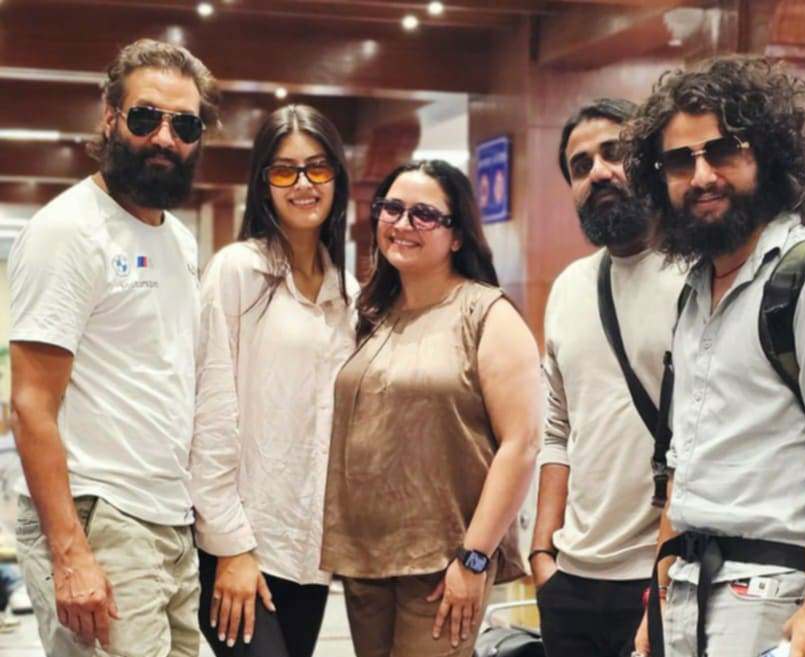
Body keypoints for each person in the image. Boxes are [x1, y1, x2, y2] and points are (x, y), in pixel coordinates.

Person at [624, 56, 805, 657]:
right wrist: (657, 602)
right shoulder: (696, 290)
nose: (702, 175)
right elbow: (683, 463)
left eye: (723, 152)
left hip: (776, 599)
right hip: (686, 590)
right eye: (679, 161)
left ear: (765, 155)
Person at [9, 38, 218, 656]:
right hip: (97, 515)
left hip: (168, 521)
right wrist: (71, 553)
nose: (164, 138)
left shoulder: (179, 241)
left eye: (184, 125)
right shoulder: (69, 231)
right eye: (145, 117)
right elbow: (30, 405)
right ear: (110, 118)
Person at [320, 160, 540, 657]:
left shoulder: (487, 313)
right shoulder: (371, 316)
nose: (402, 224)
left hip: (446, 562)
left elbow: (521, 445)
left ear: (457, 235)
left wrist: (474, 559)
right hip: (366, 558)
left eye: (423, 214)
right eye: (392, 208)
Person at [190, 104, 358, 657]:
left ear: (337, 177)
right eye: (285, 171)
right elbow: (211, 416)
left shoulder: (350, 295)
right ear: (263, 183)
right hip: (240, 546)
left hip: (308, 553)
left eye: (317, 168)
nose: (303, 184)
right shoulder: (238, 272)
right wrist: (231, 547)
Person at [528, 98, 685, 657]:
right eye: (580, 165)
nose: (597, 172)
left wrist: (663, 578)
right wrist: (542, 554)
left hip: (662, 576)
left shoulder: (699, 277)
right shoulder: (570, 287)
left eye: (614, 153)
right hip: (570, 578)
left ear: (650, 162)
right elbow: (557, 431)